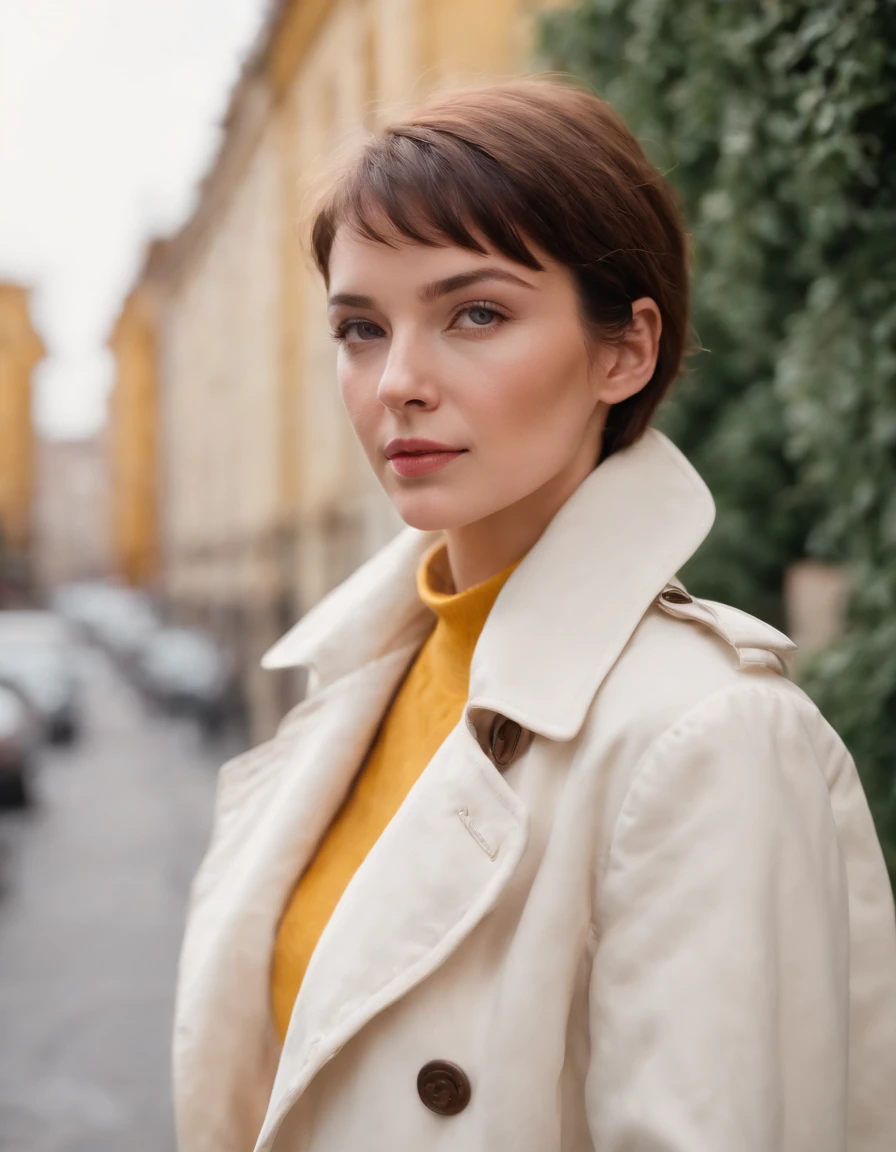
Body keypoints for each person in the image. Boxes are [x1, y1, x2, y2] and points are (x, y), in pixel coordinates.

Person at [172, 78, 896, 1152]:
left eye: (475, 313)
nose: (398, 384)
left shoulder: (709, 736)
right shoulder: (356, 688)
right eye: (360, 328)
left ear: (624, 351)